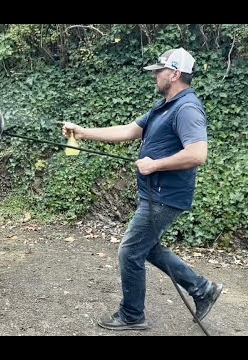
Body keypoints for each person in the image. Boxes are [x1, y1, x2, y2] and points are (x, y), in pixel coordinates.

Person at [62, 47, 223, 331]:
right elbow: (126, 131)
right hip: (156, 193)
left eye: (159, 71)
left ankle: (132, 315)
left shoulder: (187, 108)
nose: (155, 76)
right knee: (146, 248)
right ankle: (202, 289)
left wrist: (155, 164)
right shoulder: (164, 108)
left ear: (175, 74)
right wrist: (82, 132)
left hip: (165, 196)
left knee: (129, 251)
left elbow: (198, 153)